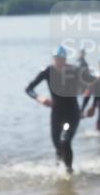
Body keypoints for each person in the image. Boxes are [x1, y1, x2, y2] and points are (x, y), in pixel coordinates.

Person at [25, 45, 84, 173]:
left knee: (65, 141)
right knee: (57, 145)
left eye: (62, 59)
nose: (59, 62)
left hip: (72, 113)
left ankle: (69, 172)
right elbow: (29, 89)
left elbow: (89, 85)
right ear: (53, 59)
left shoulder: (73, 71)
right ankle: (59, 172)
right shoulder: (48, 71)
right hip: (57, 114)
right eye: (57, 59)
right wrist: (39, 98)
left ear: (65, 59)